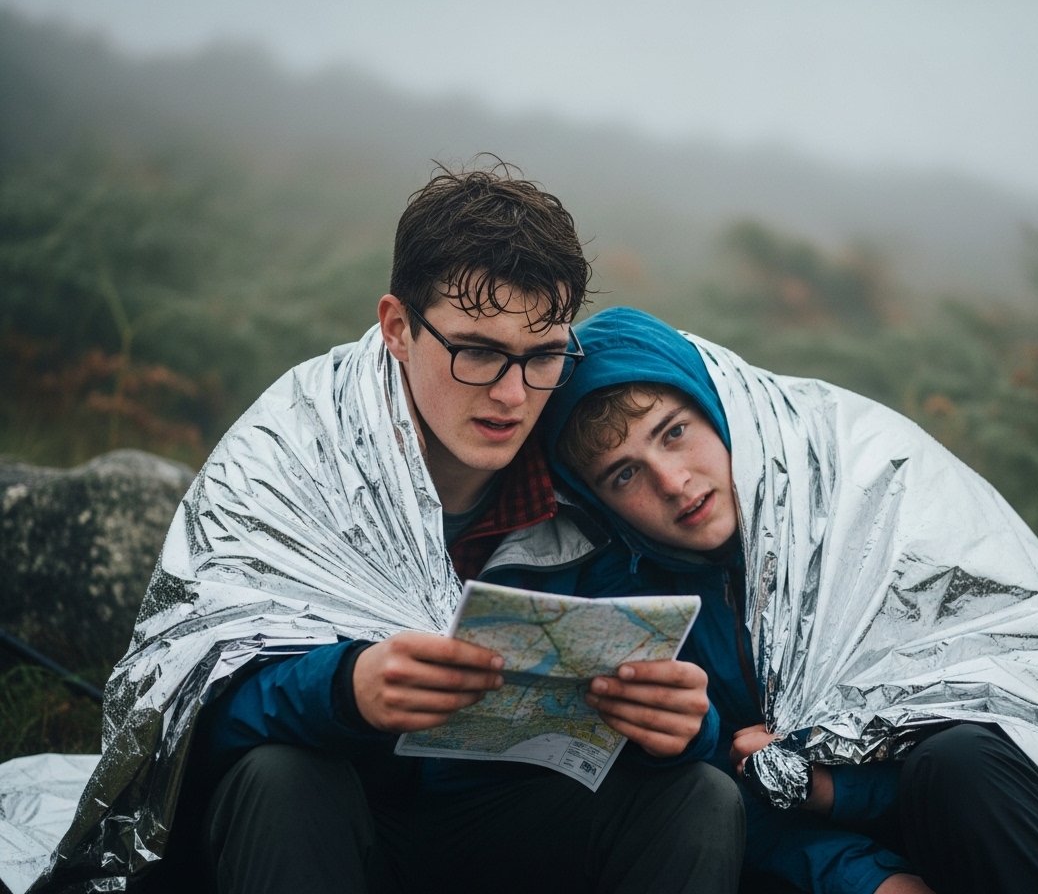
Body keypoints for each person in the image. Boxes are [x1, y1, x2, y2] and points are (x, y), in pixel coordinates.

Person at [31, 169, 743, 894]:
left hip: (498, 823)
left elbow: (653, 679)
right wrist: (347, 691)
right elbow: (185, 721)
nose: (510, 393)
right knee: (282, 779)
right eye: (477, 351)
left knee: (699, 798)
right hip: (336, 816)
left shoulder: (582, 472)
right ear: (398, 328)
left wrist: (686, 729)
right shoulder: (297, 448)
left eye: (542, 355)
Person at [497, 306, 1038, 894]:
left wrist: (825, 784)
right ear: (598, 502)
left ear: (723, 410)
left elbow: (1024, 715)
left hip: (991, 817)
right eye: (623, 474)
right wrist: (867, 879)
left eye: (674, 433)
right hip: (823, 863)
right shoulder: (636, 606)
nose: (671, 481)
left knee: (960, 767)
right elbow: (708, 792)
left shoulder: (867, 496)